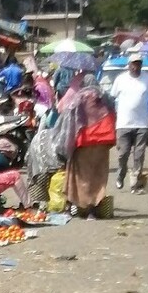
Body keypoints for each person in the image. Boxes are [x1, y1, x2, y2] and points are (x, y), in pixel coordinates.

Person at [57, 75, 116, 219]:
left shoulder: (80, 97)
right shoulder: (105, 97)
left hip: (84, 142)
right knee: (99, 176)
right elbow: (114, 115)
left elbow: (69, 119)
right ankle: (93, 208)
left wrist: (65, 143)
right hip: (103, 142)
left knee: (79, 176)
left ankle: (80, 208)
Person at [109, 53, 148, 193]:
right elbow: (112, 99)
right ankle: (120, 175)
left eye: (138, 64)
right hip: (124, 124)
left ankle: (135, 184)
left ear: (141, 65)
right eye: (133, 64)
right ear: (129, 65)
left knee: (139, 155)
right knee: (123, 154)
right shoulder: (120, 79)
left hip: (142, 124)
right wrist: (112, 118)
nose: (136, 67)